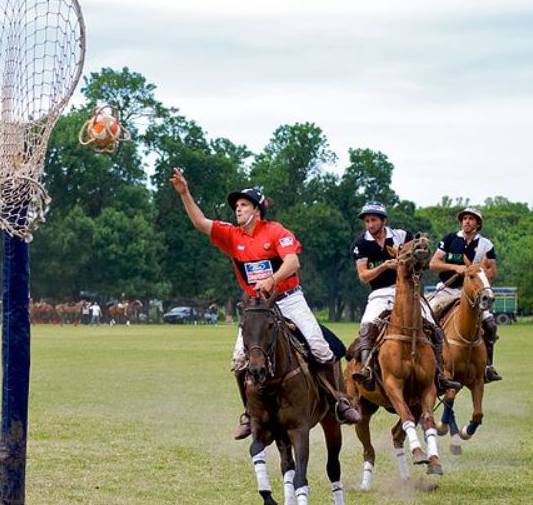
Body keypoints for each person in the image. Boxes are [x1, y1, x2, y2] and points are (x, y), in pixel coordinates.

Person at [170, 168, 362, 440]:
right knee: (239, 361)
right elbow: (201, 222)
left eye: (243, 205)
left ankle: (338, 401)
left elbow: (293, 262)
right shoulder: (232, 235)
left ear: (257, 209)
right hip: (258, 309)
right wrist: (184, 193)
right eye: (236, 205)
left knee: (320, 347)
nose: (238, 209)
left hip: (289, 300)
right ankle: (249, 413)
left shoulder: (275, 231)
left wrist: (272, 279)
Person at [350, 201, 462, 393]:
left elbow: (419, 259)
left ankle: (440, 374)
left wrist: (420, 253)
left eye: (374, 220)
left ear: (383, 220)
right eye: (367, 221)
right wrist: (385, 266)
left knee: (433, 326)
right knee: (367, 324)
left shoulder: (402, 236)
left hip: (409, 291)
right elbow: (363, 276)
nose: (370, 224)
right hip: (380, 293)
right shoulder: (360, 244)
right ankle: (367, 369)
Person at [428, 207, 503, 383]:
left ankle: (488, 367)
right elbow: (434, 263)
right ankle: (431, 362)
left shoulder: (486, 245)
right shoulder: (450, 239)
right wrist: (455, 267)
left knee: (490, 326)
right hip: (447, 290)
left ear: (478, 223)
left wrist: (479, 274)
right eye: (464, 218)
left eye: (471, 219)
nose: (467, 221)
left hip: (471, 295)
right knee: (427, 318)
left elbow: (492, 270)